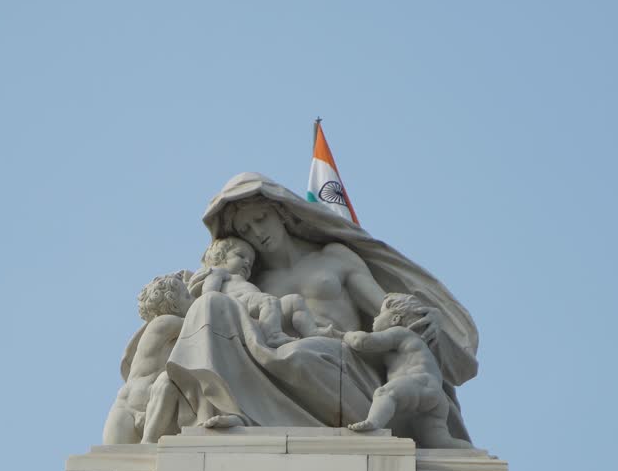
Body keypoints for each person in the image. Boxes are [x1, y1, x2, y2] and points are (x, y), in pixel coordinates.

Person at [154, 173, 479, 446]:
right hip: (274, 362)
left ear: (280, 213)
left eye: (260, 219)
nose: (257, 233)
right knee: (212, 306)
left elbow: (385, 309)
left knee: (298, 354)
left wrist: (423, 320)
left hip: (343, 360)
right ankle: (223, 407)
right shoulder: (252, 280)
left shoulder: (334, 257)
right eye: (245, 229)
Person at [342, 293, 472, 448]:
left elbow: (362, 342)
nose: (375, 318)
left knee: (384, 393)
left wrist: (347, 335)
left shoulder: (400, 333)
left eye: (379, 314)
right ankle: (472, 450)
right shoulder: (418, 345)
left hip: (415, 383)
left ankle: (373, 423)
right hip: (436, 397)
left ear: (395, 320)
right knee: (438, 442)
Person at [101, 272, 192, 445]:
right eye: (187, 296)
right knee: (117, 462)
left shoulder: (152, 329)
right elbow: (203, 321)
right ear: (172, 303)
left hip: (144, 403)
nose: (193, 299)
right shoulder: (166, 322)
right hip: (128, 407)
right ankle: (148, 440)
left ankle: (149, 440)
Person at [198, 236, 338, 347]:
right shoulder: (219, 273)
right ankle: (273, 336)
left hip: (260, 308)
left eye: (250, 262)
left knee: (294, 300)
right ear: (219, 257)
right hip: (238, 306)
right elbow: (209, 294)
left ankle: (311, 331)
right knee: (268, 300)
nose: (247, 262)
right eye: (241, 256)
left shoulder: (243, 281)